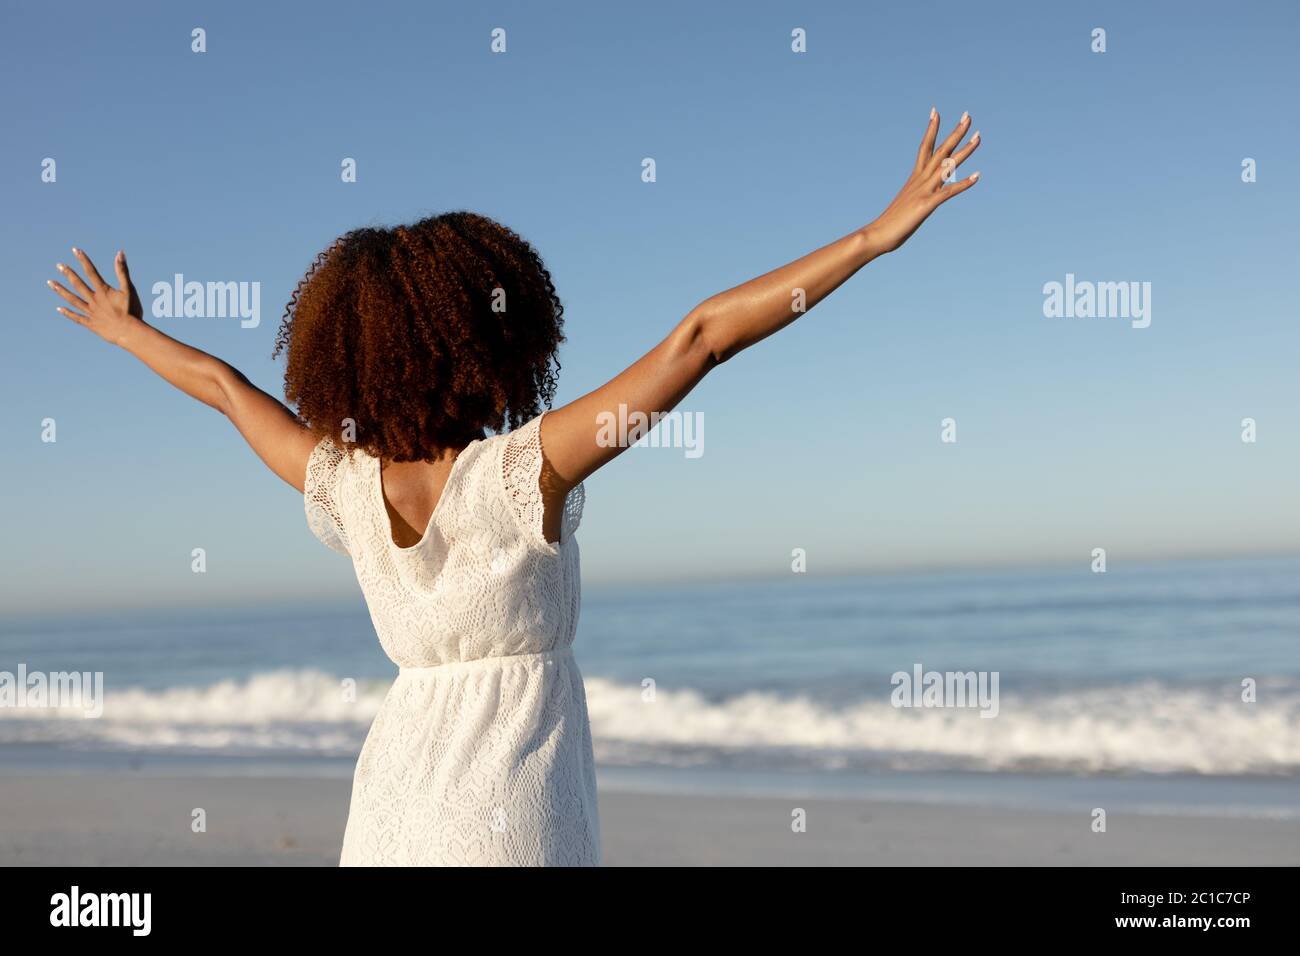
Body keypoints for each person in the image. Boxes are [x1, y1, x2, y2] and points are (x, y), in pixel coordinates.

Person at [46, 109, 980, 866]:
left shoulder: (340, 485)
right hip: (512, 810)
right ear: (492, 340)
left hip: (394, 808)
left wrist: (126, 332)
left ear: (342, 361)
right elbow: (701, 337)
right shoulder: (523, 470)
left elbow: (224, 389)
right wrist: (871, 237)